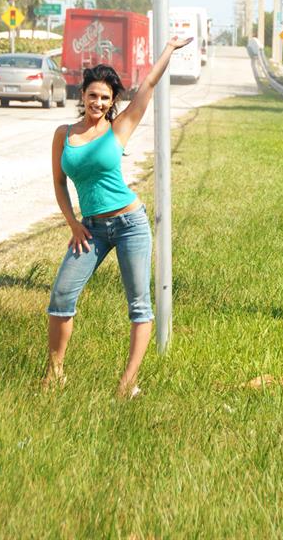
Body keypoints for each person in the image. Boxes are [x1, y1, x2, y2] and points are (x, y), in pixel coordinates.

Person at [44, 36, 192, 397]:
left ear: (113, 102)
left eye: (105, 98)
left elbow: (149, 85)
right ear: (83, 95)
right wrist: (73, 223)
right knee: (61, 296)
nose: (98, 102)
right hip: (90, 229)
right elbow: (60, 184)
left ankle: (128, 383)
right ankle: (54, 373)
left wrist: (169, 50)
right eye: (93, 95)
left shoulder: (119, 128)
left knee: (139, 304)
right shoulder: (63, 135)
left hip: (130, 225)